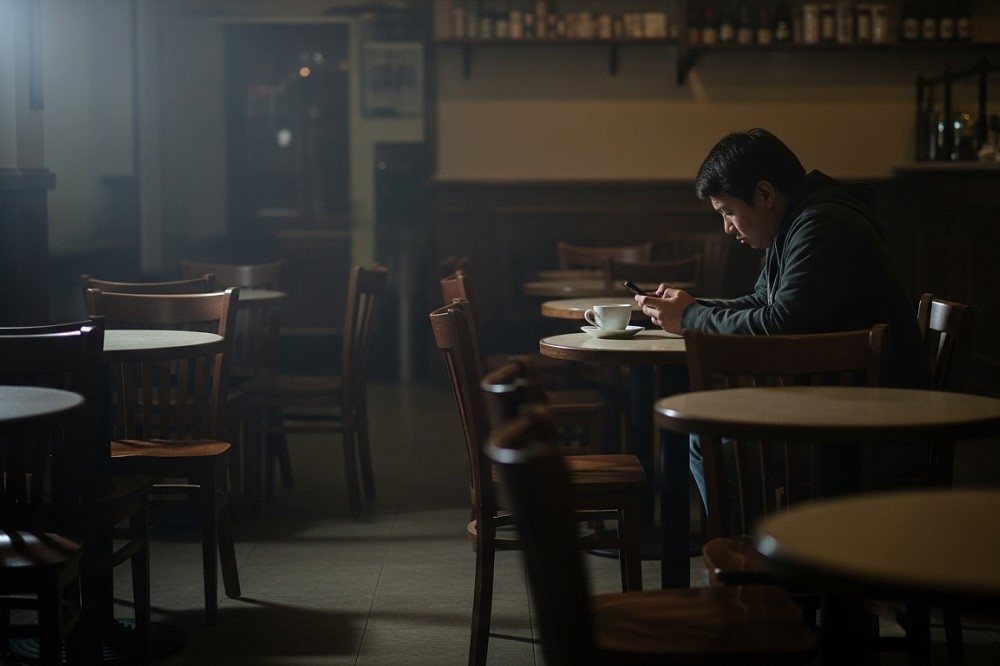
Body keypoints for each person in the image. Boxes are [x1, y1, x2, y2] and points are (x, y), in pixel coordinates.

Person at [636, 128, 933, 513]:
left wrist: (691, 316)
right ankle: (758, 557)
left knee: (710, 444)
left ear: (764, 194)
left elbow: (782, 325)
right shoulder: (798, 221)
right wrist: (692, 306)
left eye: (728, 212)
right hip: (845, 410)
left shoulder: (823, 225)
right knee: (704, 434)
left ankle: (754, 563)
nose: (727, 228)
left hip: (876, 431)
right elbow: (763, 300)